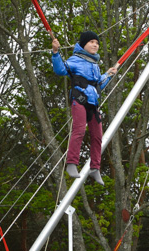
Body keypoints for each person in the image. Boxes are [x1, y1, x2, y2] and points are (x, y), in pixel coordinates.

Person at [51, 31, 118, 186]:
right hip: (80, 99)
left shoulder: (94, 64)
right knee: (79, 130)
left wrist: (108, 75)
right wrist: (55, 53)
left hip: (93, 103)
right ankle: (72, 163)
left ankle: (95, 168)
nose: (95, 45)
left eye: (97, 43)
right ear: (83, 44)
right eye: (92, 42)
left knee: (97, 137)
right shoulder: (75, 60)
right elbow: (60, 70)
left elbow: (98, 85)